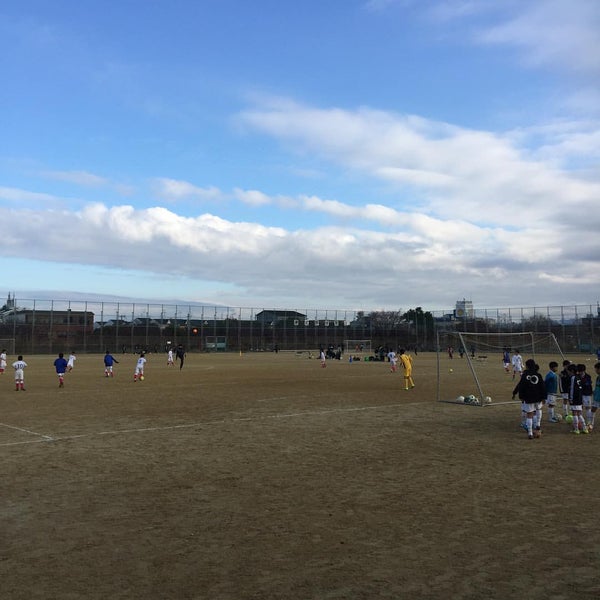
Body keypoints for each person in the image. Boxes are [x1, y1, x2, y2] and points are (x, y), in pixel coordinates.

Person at [512, 358, 546, 439]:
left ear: (527, 366)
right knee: (538, 410)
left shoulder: (525, 375)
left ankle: (530, 433)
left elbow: (521, 386)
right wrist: (544, 397)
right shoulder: (538, 375)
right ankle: (538, 425)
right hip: (538, 397)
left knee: (529, 415)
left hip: (529, 398)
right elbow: (543, 387)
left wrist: (521, 397)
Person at [568, 364, 588, 434]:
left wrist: (570, 398)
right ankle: (585, 428)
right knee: (579, 414)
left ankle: (576, 429)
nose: (568, 373)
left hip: (575, 397)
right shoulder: (578, 377)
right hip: (579, 397)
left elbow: (572, 389)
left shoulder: (573, 378)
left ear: (572, 371)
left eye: (569, 372)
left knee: (574, 413)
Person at [578, 364, 594, 431]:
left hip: (587, 395)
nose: (580, 372)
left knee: (588, 408)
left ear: (584, 370)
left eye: (581, 371)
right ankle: (580, 422)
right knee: (579, 408)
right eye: (579, 371)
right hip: (579, 395)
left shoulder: (588, 377)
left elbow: (588, 385)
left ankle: (589, 422)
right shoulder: (577, 376)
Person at [591, 362, 600, 432]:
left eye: (596, 369)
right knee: (593, 409)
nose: (595, 371)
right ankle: (591, 423)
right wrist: (594, 391)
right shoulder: (598, 377)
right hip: (596, 397)